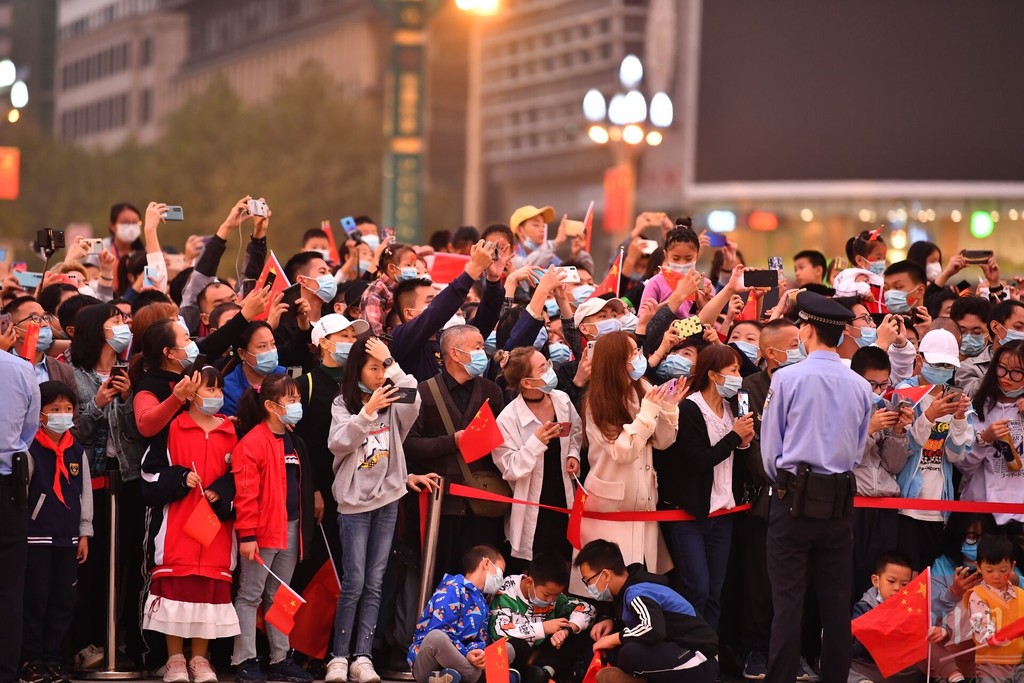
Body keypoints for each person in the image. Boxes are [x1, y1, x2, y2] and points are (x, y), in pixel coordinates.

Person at [759, 291, 874, 683]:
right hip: (839, 500)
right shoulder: (861, 386)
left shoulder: (787, 378)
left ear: (806, 330)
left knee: (788, 604)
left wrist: (786, 484)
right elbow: (857, 450)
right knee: (836, 606)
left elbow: (770, 448)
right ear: (840, 336)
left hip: (792, 498)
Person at [324, 337, 438, 683]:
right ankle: (338, 657)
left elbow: (413, 393)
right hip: (354, 505)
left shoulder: (396, 400)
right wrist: (367, 411)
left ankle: (363, 655)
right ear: (356, 370)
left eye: (381, 368)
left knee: (375, 582)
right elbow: (338, 443)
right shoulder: (342, 404)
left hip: (387, 501)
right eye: (372, 368)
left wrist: (390, 360)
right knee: (354, 581)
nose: (378, 375)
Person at [140, 367, 238, 683]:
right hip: (175, 533)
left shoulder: (231, 431)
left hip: (215, 533)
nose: (216, 396)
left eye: (219, 389)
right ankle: (174, 659)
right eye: (209, 390)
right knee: (176, 596)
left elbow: (242, 478)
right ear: (191, 393)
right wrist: (180, 478)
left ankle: (201, 658)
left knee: (208, 595)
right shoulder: (171, 428)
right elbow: (148, 476)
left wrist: (221, 492)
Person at [575, 331, 683, 595]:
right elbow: (623, 451)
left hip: (643, 503)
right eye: (633, 353)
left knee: (642, 581)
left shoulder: (642, 387)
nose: (639, 357)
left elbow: (662, 442)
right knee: (607, 583)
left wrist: (669, 408)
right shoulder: (596, 402)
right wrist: (647, 413)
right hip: (610, 507)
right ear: (615, 361)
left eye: (638, 350)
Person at [654, 344, 754, 630]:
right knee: (696, 586)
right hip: (691, 514)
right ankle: (688, 647)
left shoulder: (732, 408)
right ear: (712, 374)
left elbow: (736, 462)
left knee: (716, 589)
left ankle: (709, 651)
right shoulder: (690, 408)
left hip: (723, 512)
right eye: (732, 370)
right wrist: (734, 438)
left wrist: (744, 443)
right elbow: (698, 460)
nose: (738, 376)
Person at [231, 374, 315, 683]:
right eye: (290, 400)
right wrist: (248, 535)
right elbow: (245, 493)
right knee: (250, 594)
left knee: (279, 595)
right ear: (270, 405)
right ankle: (246, 659)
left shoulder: (294, 439)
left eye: (297, 399)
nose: (297, 405)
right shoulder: (252, 442)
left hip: (291, 528)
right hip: (263, 531)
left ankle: (281, 657)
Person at [20, 381, 91, 683]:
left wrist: (84, 532)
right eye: (54, 409)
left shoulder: (76, 449)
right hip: (36, 537)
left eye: (68, 409)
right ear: (40, 414)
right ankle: (31, 659)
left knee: (63, 599)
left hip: (68, 537)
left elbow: (83, 492)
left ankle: (53, 658)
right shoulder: (29, 448)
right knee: (36, 598)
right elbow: (22, 494)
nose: (63, 415)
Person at [574, 539, 718, 683]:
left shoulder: (637, 593)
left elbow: (653, 629)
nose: (588, 587)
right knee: (614, 649)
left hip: (699, 662)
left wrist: (614, 638)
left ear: (605, 575)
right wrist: (612, 623)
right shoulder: (629, 589)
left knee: (629, 653)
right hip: (678, 654)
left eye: (588, 581)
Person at [492, 347, 582, 567]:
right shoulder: (508, 418)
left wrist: (573, 454)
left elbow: (576, 432)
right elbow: (510, 468)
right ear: (527, 383)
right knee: (539, 567)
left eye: (548, 364)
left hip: (564, 497)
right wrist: (536, 442)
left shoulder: (561, 399)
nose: (551, 371)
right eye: (543, 368)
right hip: (534, 505)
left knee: (567, 562)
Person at [894, 329, 974, 571]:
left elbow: (956, 455)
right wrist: (929, 416)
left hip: (939, 506)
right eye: (936, 363)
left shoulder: (955, 396)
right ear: (920, 360)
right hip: (905, 505)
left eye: (948, 365)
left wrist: (959, 419)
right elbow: (901, 448)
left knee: (930, 577)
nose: (942, 370)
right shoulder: (904, 392)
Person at [849, 346, 913, 597]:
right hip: (853, 505)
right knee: (848, 577)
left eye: (883, 384)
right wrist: (869, 429)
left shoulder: (887, 406)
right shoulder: (841, 407)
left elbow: (894, 466)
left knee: (880, 583)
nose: (877, 391)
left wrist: (898, 432)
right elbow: (841, 459)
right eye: (871, 384)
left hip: (885, 506)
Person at [408, 545, 513, 683]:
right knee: (436, 638)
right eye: (500, 572)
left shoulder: (483, 600)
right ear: (486, 563)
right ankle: (483, 678)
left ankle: (451, 678)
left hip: (464, 663)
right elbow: (440, 631)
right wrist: (465, 654)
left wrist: (477, 654)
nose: (501, 579)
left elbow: (480, 639)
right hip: (430, 663)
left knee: (507, 648)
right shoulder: (452, 589)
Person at [487, 552, 596, 683]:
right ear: (529, 582)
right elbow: (498, 633)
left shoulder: (554, 597)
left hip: (544, 653)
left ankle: (544, 673)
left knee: (578, 630)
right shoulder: (504, 593)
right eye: (546, 595)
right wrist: (543, 628)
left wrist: (567, 630)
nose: (551, 600)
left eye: (555, 596)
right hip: (515, 656)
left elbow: (588, 609)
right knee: (515, 645)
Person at [0, 344, 39, 683]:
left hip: (10, 482)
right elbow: (28, 432)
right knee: (9, 586)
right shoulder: (20, 369)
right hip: (8, 484)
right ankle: (6, 671)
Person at [959, 340, 1024, 529]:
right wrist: (984, 439)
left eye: (1017, 372)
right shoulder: (976, 407)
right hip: (981, 512)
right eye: (1001, 368)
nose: (1006, 377)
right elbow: (963, 466)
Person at [849, 553, 925, 683]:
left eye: (904, 584)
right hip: (871, 667)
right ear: (875, 581)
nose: (897, 588)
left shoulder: (912, 608)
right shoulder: (864, 607)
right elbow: (856, 648)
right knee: (840, 665)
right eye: (891, 581)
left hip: (901, 671)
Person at [961, 535, 1024, 680]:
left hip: (1020, 661)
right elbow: (979, 624)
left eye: (1003, 570)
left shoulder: (1021, 594)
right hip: (990, 662)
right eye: (989, 571)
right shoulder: (977, 595)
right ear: (978, 566)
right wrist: (992, 638)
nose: (996, 576)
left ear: (1012, 566)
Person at [2, 296, 77, 388]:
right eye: (35, 318)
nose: (45, 324)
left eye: (45, 317)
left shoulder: (64, 371)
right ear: (15, 329)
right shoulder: (4, 366)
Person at [222, 321, 286, 416]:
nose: (271, 350)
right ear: (242, 353)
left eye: (273, 343)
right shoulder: (228, 390)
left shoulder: (284, 375)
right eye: (262, 346)